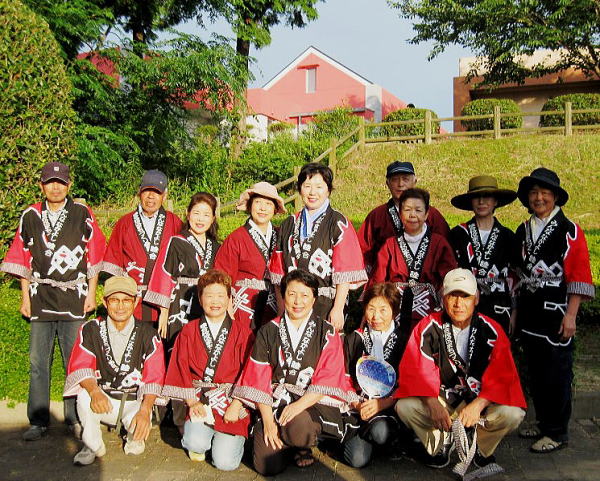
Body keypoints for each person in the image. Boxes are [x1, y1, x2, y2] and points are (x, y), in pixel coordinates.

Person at [1, 162, 106, 441]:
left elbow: (94, 255)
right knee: (38, 362)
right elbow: (23, 258)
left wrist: (91, 293)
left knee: (75, 361)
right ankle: (38, 420)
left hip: (74, 295)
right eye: (50, 182)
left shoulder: (82, 213)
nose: (55, 187)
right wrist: (24, 297)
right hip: (40, 296)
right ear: (42, 185)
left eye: (60, 182)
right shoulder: (30, 215)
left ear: (69, 185)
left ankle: (74, 417)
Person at [395, 268, 526, 470]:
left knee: (513, 413)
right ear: (443, 298)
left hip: (479, 401)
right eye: (452, 296)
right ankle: (441, 442)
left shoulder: (491, 330)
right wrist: (432, 402)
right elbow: (416, 370)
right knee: (404, 406)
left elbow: (503, 376)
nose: (458, 303)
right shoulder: (428, 326)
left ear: (476, 298)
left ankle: (481, 446)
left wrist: (479, 405)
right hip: (444, 400)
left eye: (465, 296)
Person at [233, 269, 359, 476]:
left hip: (311, 403)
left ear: (314, 298)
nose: (298, 301)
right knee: (267, 466)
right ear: (283, 296)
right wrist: (268, 422)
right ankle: (286, 443)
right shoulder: (268, 330)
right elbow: (258, 378)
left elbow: (328, 378)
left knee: (299, 428)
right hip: (275, 402)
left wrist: (298, 406)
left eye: (304, 295)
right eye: (291, 294)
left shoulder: (327, 331)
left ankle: (301, 444)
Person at [513, 168, 594, 453]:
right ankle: (544, 423)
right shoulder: (523, 230)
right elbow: (516, 274)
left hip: (557, 313)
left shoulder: (569, 230)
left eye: (545, 193)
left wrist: (571, 315)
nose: (539, 198)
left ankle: (557, 432)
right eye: (534, 193)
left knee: (556, 373)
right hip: (530, 313)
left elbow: (579, 274)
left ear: (555, 196)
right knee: (536, 371)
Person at [64, 276, 165, 465]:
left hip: (134, 401)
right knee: (84, 396)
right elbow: (81, 365)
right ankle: (92, 444)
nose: (120, 306)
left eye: (126, 300)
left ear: (135, 302)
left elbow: (155, 376)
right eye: (114, 300)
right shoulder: (90, 329)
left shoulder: (148, 334)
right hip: (104, 398)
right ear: (105, 302)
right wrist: (94, 391)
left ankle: (134, 436)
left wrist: (145, 410)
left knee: (136, 443)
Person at [161, 270, 254, 471]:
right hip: (200, 400)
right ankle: (203, 439)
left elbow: (251, 373)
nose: (215, 301)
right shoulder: (188, 331)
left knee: (225, 463)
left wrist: (237, 404)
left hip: (230, 401)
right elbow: (180, 368)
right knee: (195, 443)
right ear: (200, 299)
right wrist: (191, 402)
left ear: (229, 299)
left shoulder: (243, 333)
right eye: (209, 295)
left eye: (221, 295)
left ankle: (226, 441)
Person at [268, 163, 367, 330]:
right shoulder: (288, 223)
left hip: (326, 303)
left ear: (328, 190)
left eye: (319, 187)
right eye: (307, 186)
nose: (312, 192)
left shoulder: (338, 223)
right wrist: (281, 307)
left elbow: (344, 271)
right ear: (300, 189)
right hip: (293, 304)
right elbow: (278, 272)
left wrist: (338, 308)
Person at [372, 188, 456, 351]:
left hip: (429, 309)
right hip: (395, 307)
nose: (412, 215)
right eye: (407, 210)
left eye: (418, 210)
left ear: (426, 214)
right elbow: (378, 280)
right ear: (400, 214)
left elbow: (449, 278)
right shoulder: (390, 244)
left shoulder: (439, 243)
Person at [102, 170, 183, 322]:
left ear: (165, 195)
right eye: (147, 191)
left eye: (156, 192)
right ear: (139, 192)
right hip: (132, 301)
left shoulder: (175, 223)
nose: (151, 196)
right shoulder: (124, 223)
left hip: (165, 303)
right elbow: (113, 265)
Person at [145, 192, 220, 343]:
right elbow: (165, 274)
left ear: (213, 218)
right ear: (188, 213)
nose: (200, 219)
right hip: (180, 303)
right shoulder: (176, 242)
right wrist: (164, 311)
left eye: (206, 215)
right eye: (196, 213)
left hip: (207, 303)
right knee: (178, 344)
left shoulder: (217, 247)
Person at [343, 283, 403, 468]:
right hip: (358, 406)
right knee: (356, 459)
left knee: (381, 432)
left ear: (394, 311)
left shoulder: (404, 340)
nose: (376, 316)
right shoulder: (354, 339)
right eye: (371, 309)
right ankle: (367, 440)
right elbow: (343, 377)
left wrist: (383, 403)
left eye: (383, 310)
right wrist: (356, 403)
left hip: (388, 407)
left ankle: (384, 440)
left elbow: (408, 382)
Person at [449, 175, 518, 333]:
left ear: (496, 201)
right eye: (476, 197)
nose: (481, 202)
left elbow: (514, 277)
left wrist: (515, 311)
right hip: (465, 306)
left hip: (500, 308)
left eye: (487, 197)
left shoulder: (507, 236)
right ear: (470, 202)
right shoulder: (458, 234)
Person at [358, 161, 450, 276]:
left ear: (414, 181)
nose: (400, 184)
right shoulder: (376, 216)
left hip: (428, 279)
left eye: (405, 179)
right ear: (387, 183)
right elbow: (362, 249)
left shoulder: (432, 215)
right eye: (395, 179)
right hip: (388, 279)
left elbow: (446, 248)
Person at [214, 182, 286, 330]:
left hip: (276, 305)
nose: (263, 208)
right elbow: (222, 277)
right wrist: (227, 310)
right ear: (249, 205)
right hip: (243, 307)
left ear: (275, 209)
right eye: (258, 202)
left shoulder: (281, 236)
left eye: (268, 204)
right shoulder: (236, 238)